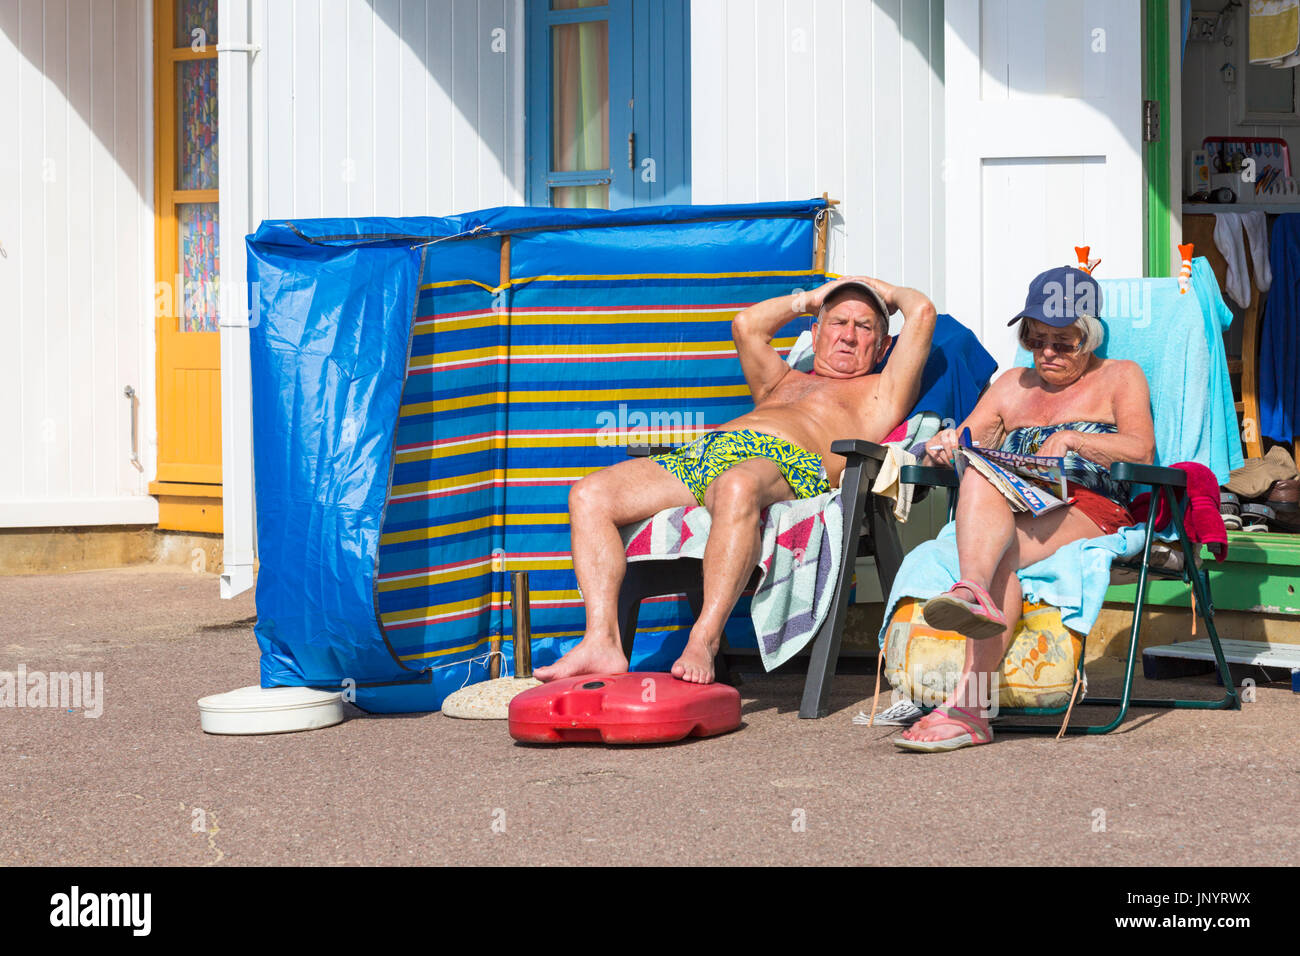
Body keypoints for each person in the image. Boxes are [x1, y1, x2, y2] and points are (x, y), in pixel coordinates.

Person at [535, 275, 938, 684]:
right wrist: (812, 298)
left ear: (884, 346)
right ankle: (602, 640)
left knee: (735, 486)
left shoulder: (881, 390)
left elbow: (921, 312)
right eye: (837, 322)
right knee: (589, 495)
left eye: (864, 326)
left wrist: (882, 293)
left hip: (788, 460)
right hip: (712, 450)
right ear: (815, 334)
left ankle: (705, 638)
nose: (849, 336)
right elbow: (746, 325)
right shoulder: (780, 380)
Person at [895, 266, 1155, 752]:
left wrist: (1074, 439)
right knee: (976, 468)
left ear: (1090, 336)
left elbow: (1142, 450)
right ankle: (973, 593)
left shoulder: (1120, 376)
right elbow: (968, 441)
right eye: (1037, 340)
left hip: (1087, 505)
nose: (1047, 353)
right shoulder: (1013, 384)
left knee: (1002, 558)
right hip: (1019, 503)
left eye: (1063, 342)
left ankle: (968, 707)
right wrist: (945, 443)